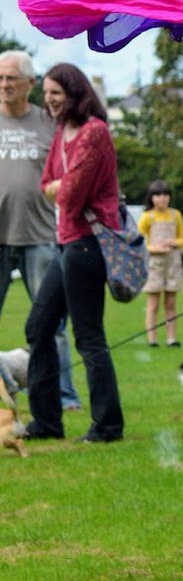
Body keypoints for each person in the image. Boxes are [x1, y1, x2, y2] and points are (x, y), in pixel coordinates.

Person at [22, 64, 124, 443]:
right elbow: (46, 182)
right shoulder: (61, 133)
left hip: (88, 242)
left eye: (56, 94)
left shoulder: (94, 132)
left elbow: (69, 195)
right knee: (38, 327)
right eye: (46, 93)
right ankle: (46, 422)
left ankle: (108, 425)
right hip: (66, 240)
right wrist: (59, 186)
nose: (48, 100)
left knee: (88, 335)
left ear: (75, 94)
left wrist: (59, 187)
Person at [0, 50, 80, 410]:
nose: (3, 85)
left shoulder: (49, 123)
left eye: (11, 78)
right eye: (0, 78)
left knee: (54, 326)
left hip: (42, 237)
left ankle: (64, 397)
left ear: (30, 84)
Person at [138, 179, 183, 347]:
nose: (162, 199)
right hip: (154, 263)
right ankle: (152, 339)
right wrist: (154, 248)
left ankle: (171, 337)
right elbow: (139, 242)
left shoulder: (176, 215)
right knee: (153, 303)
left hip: (172, 262)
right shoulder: (147, 217)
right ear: (151, 197)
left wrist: (174, 242)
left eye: (165, 195)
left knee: (171, 302)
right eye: (158, 195)